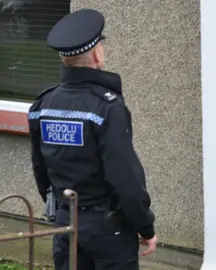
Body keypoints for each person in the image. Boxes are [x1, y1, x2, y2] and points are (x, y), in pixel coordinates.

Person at [27, 9, 157, 270]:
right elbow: (124, 176)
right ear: (97, 54)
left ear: (64, 60)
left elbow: (40, 169)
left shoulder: (43, 105)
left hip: (65, 221)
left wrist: (63, 209)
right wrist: (145, 225)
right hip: (107, 228)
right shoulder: (107, 107)